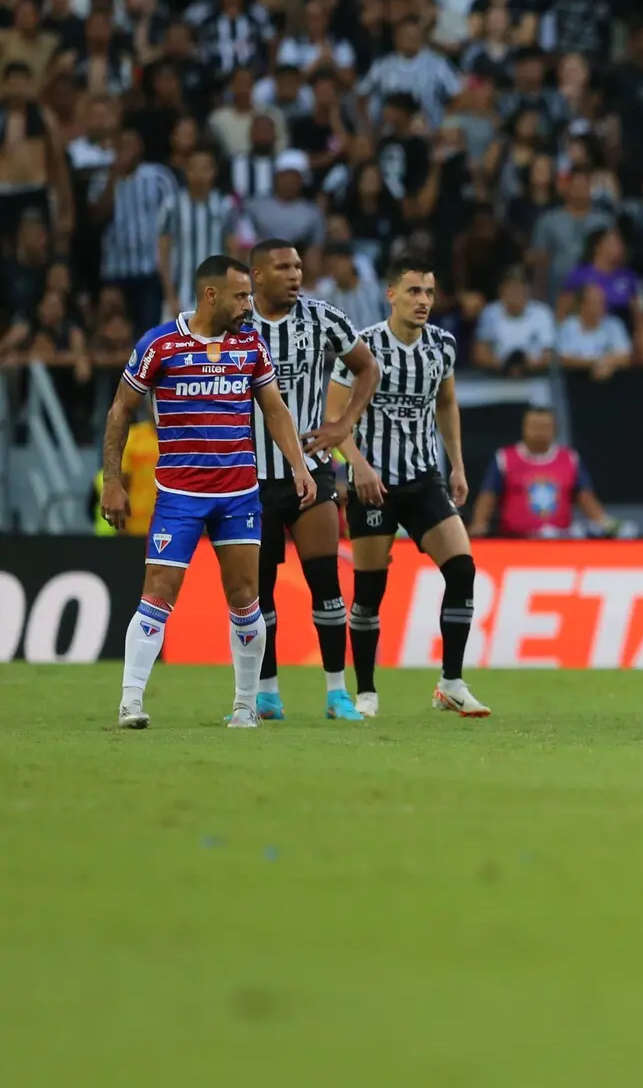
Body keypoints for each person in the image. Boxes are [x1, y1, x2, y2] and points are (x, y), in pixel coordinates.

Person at [99, 254, 317, 729]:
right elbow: (120, 411)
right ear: (211, 295)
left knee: (246, 597)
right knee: (158, 592)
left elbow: (275, 408)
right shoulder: (160, 345)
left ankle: (245, 706)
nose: (249, 304)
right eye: (241, 295)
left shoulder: (250, 345)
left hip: (239, 492)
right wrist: (112, 481)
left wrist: (298, 465)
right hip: (178, 494)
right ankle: (131, 701)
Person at [328, 256, 488, 719]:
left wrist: (456, 465)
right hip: (373, 485)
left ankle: (451, 683)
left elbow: (447, 402)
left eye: (430, 293)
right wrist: (357, 466)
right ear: (391, 295)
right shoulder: (363, 348)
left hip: (423, 480)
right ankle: (367, 691)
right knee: (369, 591)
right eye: (414, 291)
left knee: (462, 569)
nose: (423, 301)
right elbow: (334, 418)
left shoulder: (442, 345)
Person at [247, 239, 381, 721]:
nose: (295, 273)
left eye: (299, 265)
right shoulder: (237, 325)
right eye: (283, 267)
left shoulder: (322, 317)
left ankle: (335, 692)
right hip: (250, 479)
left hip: (311, 471)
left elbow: (368, 367)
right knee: (259, 593)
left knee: (325, 581)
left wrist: (343, 426)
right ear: (257, 275)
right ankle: (266, 693)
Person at [471, 405, 618, 538]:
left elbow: (586, 499)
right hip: (516, 541)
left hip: (560, 541)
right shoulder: (504, 458)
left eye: (545, 427)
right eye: (535, 427)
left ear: (554, 429)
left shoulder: (570, 459)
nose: (540, 432)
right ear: (524, 427)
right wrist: (478, 525)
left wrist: (608, 525)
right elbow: (488, 497)